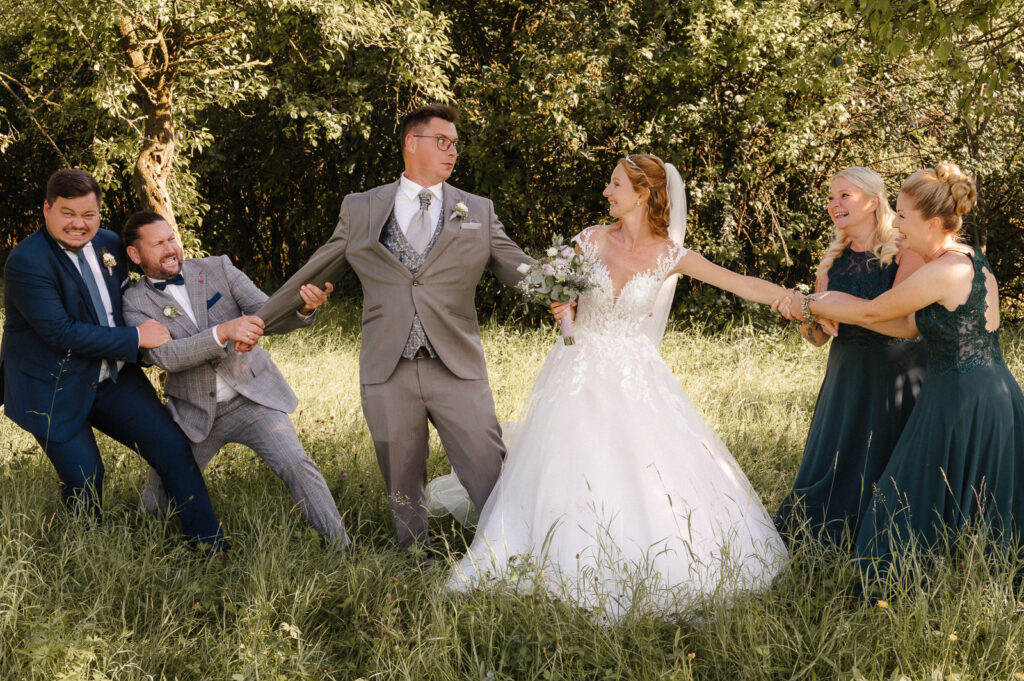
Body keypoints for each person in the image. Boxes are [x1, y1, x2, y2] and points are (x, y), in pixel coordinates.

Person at [448, 154, 788, 622]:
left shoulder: (671, 255)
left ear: (643, 194)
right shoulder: (589, 239)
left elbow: (740, 284)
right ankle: (547, 556)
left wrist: (796, 301)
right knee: (565, 462)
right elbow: (558, 293)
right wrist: (561, 307)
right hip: (578, 368)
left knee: (647, 464)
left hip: (635, 373)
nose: (606, 192)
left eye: (615, 184)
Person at [256, 104, 532, 551]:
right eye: (442, 141)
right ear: (411, 143)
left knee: (487, 469)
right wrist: (261, 321)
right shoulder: (362, 207)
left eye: (455, 144)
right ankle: (414, 559)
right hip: (389, 366)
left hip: (457, 366)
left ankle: (509, 554)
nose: (452, 151)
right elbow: (314, 270)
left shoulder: (476, 209)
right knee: (402, 478)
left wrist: (567, 288)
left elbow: (518, 265)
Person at [780, 162, 1024, 572]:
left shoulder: (950, 269)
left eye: (905, 216)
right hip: (960, 390)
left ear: (932, 222)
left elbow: (877, 313)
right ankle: (950, 571)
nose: (898, 225)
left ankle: (923, 579)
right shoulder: (959, 257)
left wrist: (807, 304)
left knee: (925, 495)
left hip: (969, 397)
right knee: (942, 491)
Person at [0, 170, 227, 551]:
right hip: (52, 385)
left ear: (100, 213)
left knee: (172, 447)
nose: (78, 224)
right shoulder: (26, 262)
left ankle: (210, 546)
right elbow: (60, 333)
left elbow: (145, 286)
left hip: (113, 377)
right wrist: (136, 337)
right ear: (47, 209)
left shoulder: (109, 244)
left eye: (88, 214)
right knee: (86, 476)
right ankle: (86, 558)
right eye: (67, 213)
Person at [120, 212, 350, 546]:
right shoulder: (133, 301)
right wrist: (223, 331)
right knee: (157, 500)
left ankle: (341, 547)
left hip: (253, 399)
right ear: (135, 255)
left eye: (171, 238)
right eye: (158, 244)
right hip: (193, 413)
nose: (170, 248)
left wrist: (302, 309)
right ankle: (142, 552)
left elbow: (267, 313)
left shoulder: (218, 268)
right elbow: (165, 356)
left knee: (297, 463)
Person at [773, 167, 927, 545]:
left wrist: (836, 306)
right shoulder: (834, 260)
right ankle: (829, 533)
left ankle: (880, 536)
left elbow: (907, 320)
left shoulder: (905, 250)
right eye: (830, 197)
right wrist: (803, 314)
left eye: (845, 195)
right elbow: (817, 340)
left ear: (874, 200)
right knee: (839, 456)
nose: (834, 204)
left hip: (895, 371)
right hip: (846, 372)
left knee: (884, 455)